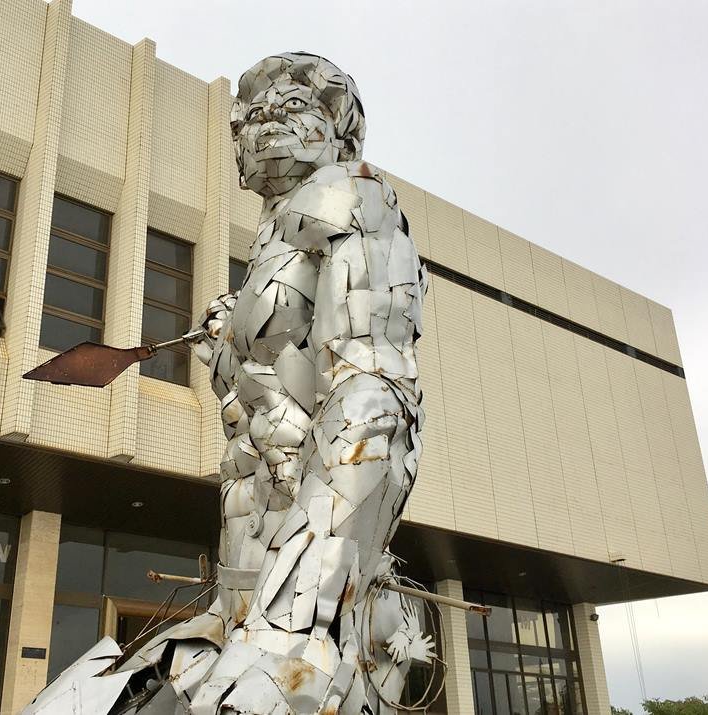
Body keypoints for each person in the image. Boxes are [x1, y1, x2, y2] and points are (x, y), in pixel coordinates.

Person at [25, 52, 430, 715]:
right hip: (239, 598)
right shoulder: (268, 252)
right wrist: (233, 343)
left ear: (338, 131)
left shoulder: (350, 199)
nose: (267, 118)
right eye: (252, 115)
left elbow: (378, 401)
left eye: (294, 105)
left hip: (310, 606)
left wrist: (300, 624)